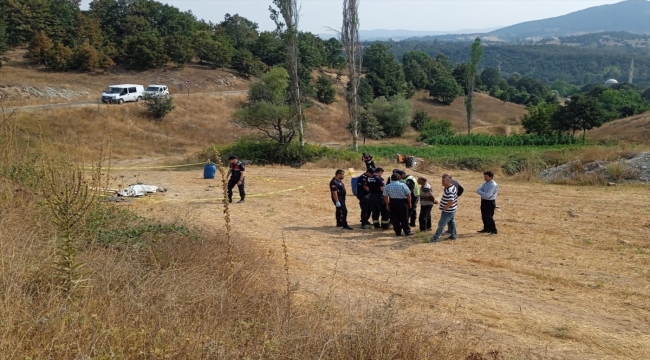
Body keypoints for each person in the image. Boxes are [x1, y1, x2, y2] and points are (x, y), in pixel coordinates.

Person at [429, 174, 458, 243]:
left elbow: (451, 201)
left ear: (448, 181)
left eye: (443, 181)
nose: (442, 182)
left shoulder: (450, 190)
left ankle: (435, 239)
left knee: (441, 224)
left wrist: (445, 207)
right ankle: (453, 235)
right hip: (452, 209)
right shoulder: (451, 187)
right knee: (451, 222)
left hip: (448, 210)